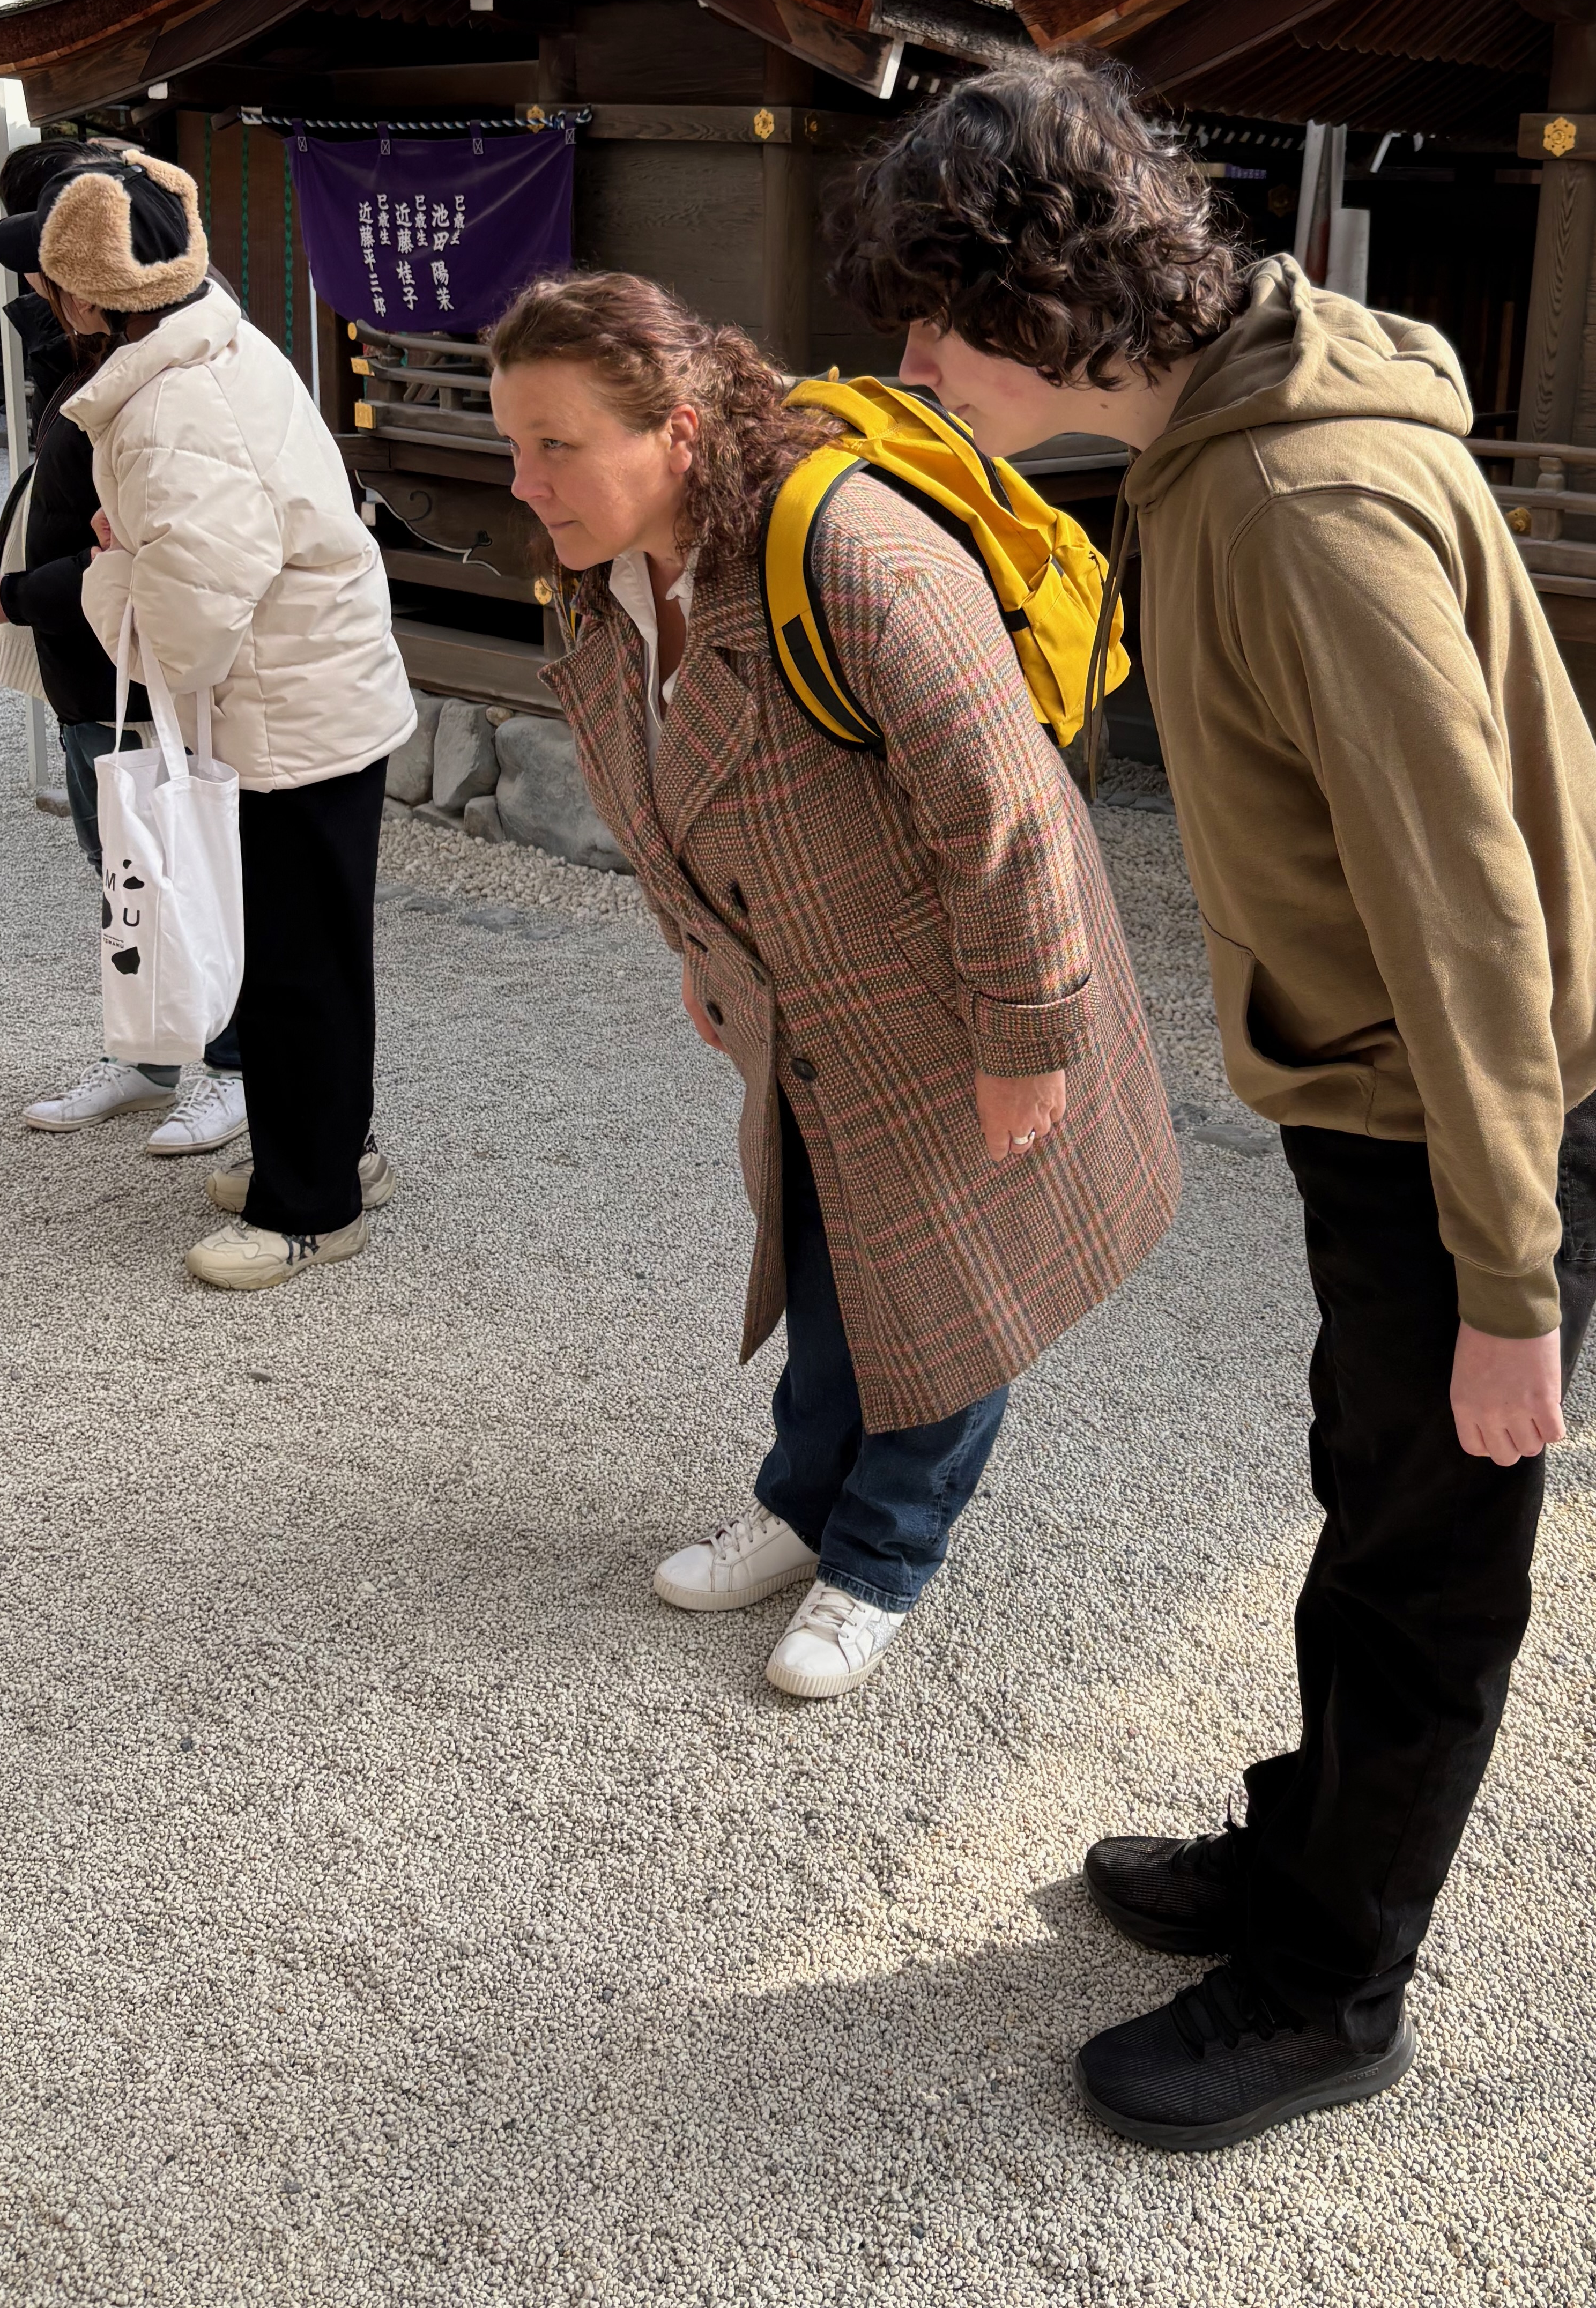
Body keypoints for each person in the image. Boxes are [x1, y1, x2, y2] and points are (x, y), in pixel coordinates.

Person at [831, 56, 1596, 2148]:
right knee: (1369, 1480)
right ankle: (1302, 1855)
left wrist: (1511, 1286)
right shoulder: (1223, 435)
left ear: (1050, 297)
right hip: (1398, 1072)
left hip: (1488, 1082)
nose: (914, 362)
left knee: (1430, 1542)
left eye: (936, 317)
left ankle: (1335, 1982)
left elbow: (1470, 915)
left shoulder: (1301, 501)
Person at [485, 273, 1179, 1702]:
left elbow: (1009, 809)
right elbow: (651, 786)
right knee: (826, 1253)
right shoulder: (609, 575)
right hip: (805, 994)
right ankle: (804, 1502)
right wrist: (701, 954)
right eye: (515, 443)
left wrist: (1028, 1035)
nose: (523, 479)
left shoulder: (848, 547)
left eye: (555, 443)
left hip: (953, 981)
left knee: (944, 1275)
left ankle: (884, 1549)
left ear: (677, 432)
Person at [48, 149, 412, 1288]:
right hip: (315, 698)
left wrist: (108, 570)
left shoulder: (168, 409)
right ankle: (335, 1155)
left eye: (51, 280)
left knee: (293, 968)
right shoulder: (214, 343)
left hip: (284, 719)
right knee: (316, 955)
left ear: (93, 294)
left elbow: (184, 632)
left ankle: (311, 1207)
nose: (43, 301)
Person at [0, 141, 248, 1154]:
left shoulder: (172, 363)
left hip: (148, 658)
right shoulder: (95, 350)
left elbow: (165, 560)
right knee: (124, 863)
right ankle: (152, 1049)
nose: (40, 283)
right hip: (90, 660)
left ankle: (230, 1067)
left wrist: (8, 595)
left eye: (56, 265)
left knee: (192, 868)